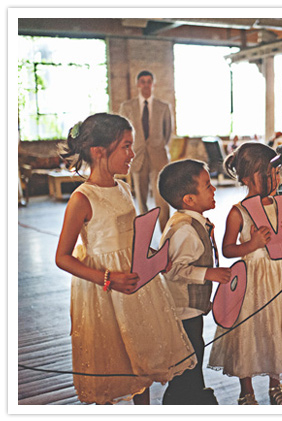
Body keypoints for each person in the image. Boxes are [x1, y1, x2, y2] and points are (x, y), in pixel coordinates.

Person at [55, 113, 196, 405]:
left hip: (135, 285)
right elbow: (62, 257)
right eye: (126, 147)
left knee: (140, 354)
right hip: (105, 290)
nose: (133, 154)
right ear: (98, 151)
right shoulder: (82, 198)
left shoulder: (124, 188)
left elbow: (132, 240)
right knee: (113, 357)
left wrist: (155, 258)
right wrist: (108, 278)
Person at [207, 142, 282, 405]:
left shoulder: (280, 204)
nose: (277, 179)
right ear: (248, 178)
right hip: (255, 279)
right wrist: (252, 244)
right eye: (269, 174)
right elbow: (228, 249)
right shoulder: (238, 212)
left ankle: (276, 385)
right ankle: (246, 391)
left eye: (277, 173)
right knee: (249, 332)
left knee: (279, 329)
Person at [157, 159, 233, 405]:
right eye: (207, 185)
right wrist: (209, 274)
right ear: (189, 199)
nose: (214, 189)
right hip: (182, 310)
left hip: (191, 308)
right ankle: (181, 401)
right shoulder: (185, 230)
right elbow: (173, 271)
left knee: (193, 357)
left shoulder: (191, 222)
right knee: (187, 362)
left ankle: (194, 395)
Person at [119, 70, 173, 232]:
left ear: (153, 84)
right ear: (138, 84)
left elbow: (168, 132)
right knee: (141, 202)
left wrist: (158, 145)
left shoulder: (163, 107)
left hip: (159, 158)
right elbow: (122, 133)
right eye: (142, 81)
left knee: (162, 198)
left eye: (149, 81)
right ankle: (145, 236)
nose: (146, 85)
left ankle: (166, 235)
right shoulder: (127, 107)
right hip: (137, 157)